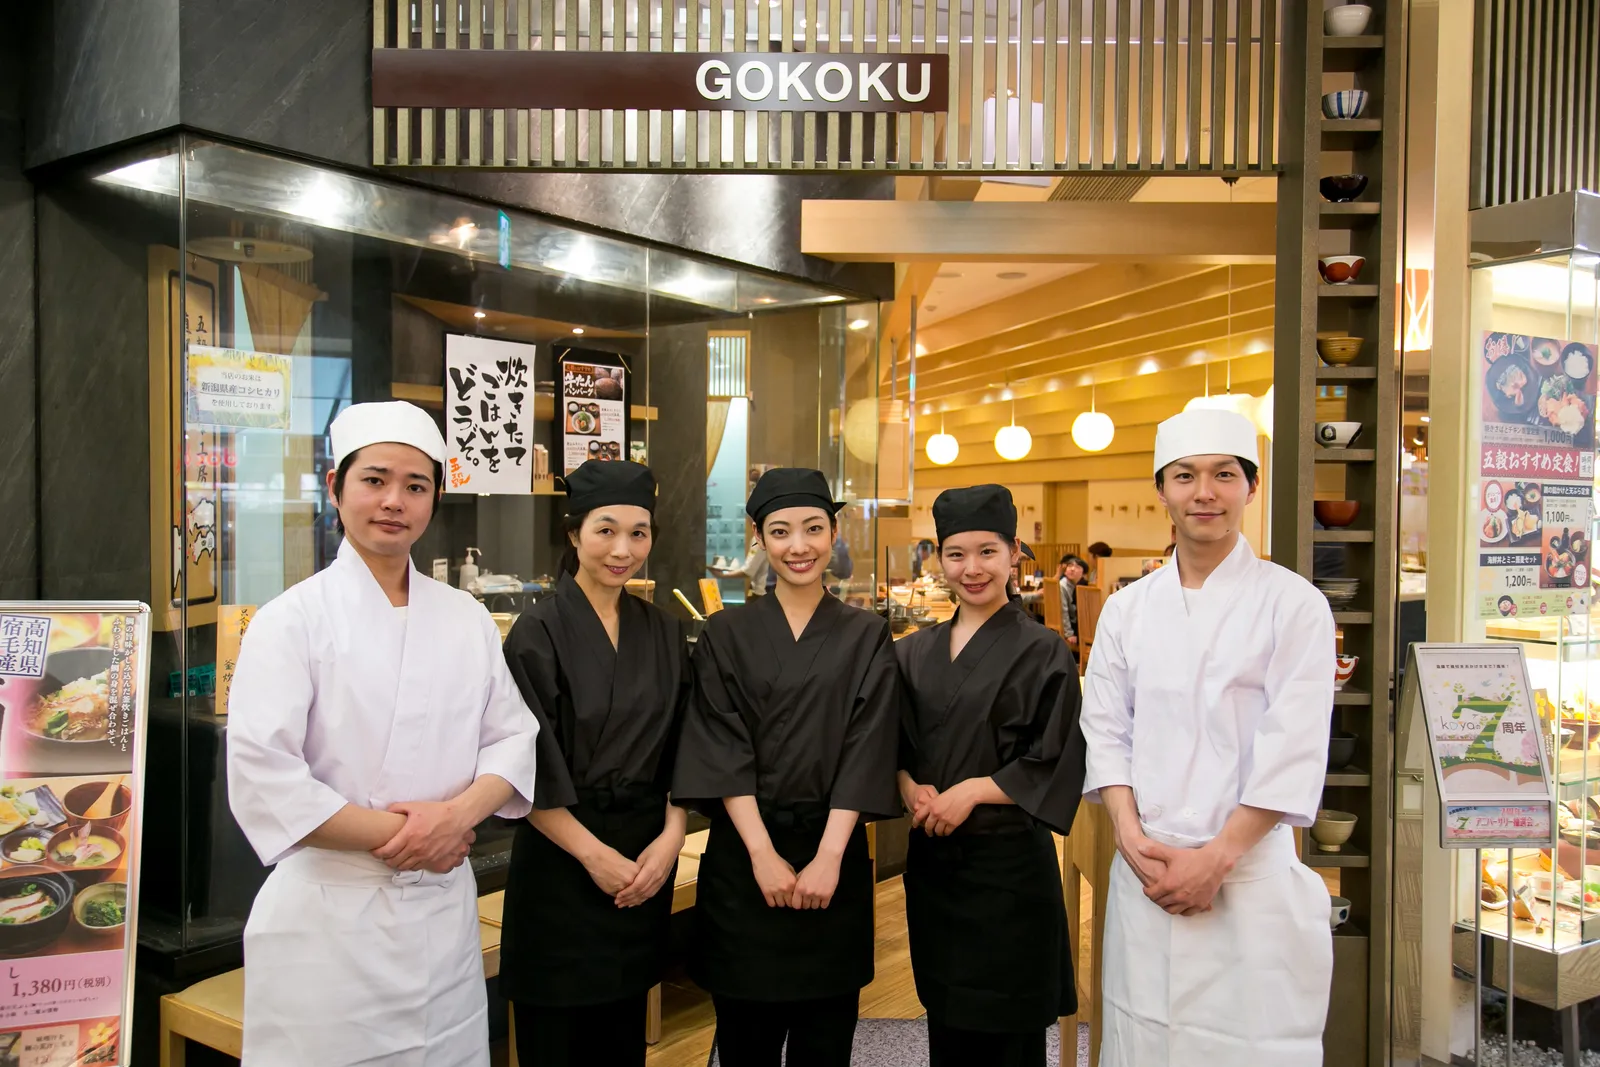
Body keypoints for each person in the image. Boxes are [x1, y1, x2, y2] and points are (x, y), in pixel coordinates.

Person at [227, 401, 541, 1067]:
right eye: (374, 479)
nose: (394, 500)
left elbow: (513, 740)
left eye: (416, 484)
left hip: (439, 918)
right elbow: (265, 777)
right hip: (328, 922)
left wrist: (455, 817)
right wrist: (415, 837)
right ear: (335, 487)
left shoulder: (466, 618)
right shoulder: (291, 621)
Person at [1079, 408, 1334, 1066]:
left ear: (1250, 486)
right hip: (1147, 878)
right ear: (1161, 489)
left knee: (1246, 1048)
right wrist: (1131, 839)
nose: (1205, 492)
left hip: (1247, 880)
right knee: (1142, 1041)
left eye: (1224, 474)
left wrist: (1217, 857)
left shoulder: (1294, 603)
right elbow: (1106, 727)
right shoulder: (1129, 609)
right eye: (1185, 475)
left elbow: (1294, 745)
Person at [673, 467, 901, 1067]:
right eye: (780, 532)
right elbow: (719, 744)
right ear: (758, 538)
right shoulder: (725, 632)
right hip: (746, 861)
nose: (798, 546)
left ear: (833, 532)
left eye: (812, 529)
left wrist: (828, 857)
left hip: (835, 853)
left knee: (825, 1043)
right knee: (744, 1041)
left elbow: (868, 745)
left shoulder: (867, 634)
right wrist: (762, 854)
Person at [498, 460, 690, 1067]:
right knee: (556, 1040)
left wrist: (672, 839)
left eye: (639, 533)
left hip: (643, 860)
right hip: (562, 862)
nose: (622, 549)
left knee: (622, 1038)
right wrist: (593, 855)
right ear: (573, 532)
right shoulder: (536, 632)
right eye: (606, 530)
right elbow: (526, 765)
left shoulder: (663, 631)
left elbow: (688, 745)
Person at [896, 485, 1087, 1067]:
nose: (971, 568)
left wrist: (974, 791)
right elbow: (891, 743)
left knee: (1009, 1030)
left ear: (1014, 553)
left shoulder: (1043, 649)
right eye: (956, 554)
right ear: (939, 559)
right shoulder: (912, 651)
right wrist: (908, 786)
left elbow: (1055, 751)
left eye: (987, 552)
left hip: (1008, 870)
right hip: (934, 865)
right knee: (946, 1019)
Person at [710, 533, 771, 598]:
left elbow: (748, 571)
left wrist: (722, 575)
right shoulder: (773, 537)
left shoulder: (760, 539)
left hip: (762, 593)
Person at [1057, 553, 1089, 651]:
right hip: (1070, 626)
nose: (1072, 569)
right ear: (1065, 570)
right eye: (1070, 566)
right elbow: (1063, 610)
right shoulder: (1062, 585)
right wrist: (1069, 633)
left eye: (1077, 567)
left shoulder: (1081, 586)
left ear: (1083, 574)